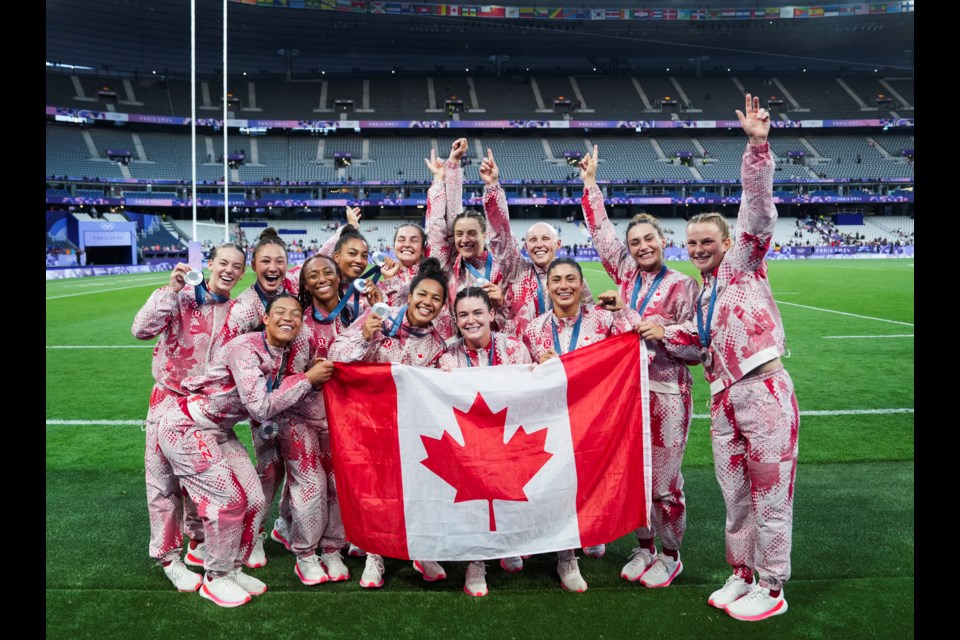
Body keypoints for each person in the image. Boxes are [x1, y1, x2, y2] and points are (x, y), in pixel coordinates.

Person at [666, 94, 799, 621]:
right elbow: (698, 344)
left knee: (770, 495)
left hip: (762, 391)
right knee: (737, 498)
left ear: (727, 242)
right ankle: (742, 574)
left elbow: (759, 212)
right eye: (691, 242)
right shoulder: (703, 295)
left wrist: (758, 149)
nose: (697, 248)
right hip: (723, 400)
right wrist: (648, 328)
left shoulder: (743, 266)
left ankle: (773, 584)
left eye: (706, 241)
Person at [156, 294, 334, 607]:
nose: (287, 318)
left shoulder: (282, 352)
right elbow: (260, 406)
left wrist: (306, 374)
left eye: (295, 313)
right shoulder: (244, 347)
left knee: (253, 499)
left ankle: (233, 567)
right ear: (265, 318)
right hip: (186, 427)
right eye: (279, 311)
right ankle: (216, 577)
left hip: (219, 431)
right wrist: (306, 380)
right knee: (227, 500)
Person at [580, 145, 700, 587]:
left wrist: (664, 332)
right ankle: (645, 546)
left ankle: (671, 554)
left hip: (667, 394)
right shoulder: (627, 276)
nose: (642, 246)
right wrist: (591, 185)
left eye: (648, 239)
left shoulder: (684, 285)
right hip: (626, 393)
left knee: (664, 482)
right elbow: (602, 236)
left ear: (662, 241)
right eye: (635, 243)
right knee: (634, 475)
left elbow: (701, 345)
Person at [522, 258, 643, 592]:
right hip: (554, 420)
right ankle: (566, 558)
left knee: (594, 478)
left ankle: (591, 532)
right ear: (547, 287)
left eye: (571, 279)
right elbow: (522, 378)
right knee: (559, 484)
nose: (563, 285)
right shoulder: (533, 329)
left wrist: (624, 310)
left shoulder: (603, 320)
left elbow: (636, 342)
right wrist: (540, 369)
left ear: (580, 283)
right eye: (556, 279)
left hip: (596, 418)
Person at [328, 257, 451, 588]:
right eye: (422, 294)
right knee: (378, 490)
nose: (427, 302)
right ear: (409, 296)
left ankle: (421, 549)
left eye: (436, 299)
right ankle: (375, 555)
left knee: (421, 487)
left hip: (416, 428)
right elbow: (336, 354)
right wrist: (364, 338)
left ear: (442, 306)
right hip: (373, 423)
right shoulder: (378, 317)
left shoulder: (438, 342)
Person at [131, 244, 248, 593]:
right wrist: (170, 290)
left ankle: (198, 543)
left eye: (237, 266)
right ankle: (169, 559)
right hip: (168, 402)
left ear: (243, 273)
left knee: (203, 482)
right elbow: (141, 329)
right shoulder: (180, 298)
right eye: (223, 262)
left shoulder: (238, 312)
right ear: (209, 264)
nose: (229, 270)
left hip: (206, 411)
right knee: (163, 484)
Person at [274, 253, 374, 585]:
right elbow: (282, 374)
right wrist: (306, 373)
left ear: (338, 276)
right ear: (304, 284)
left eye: (327, 272)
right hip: (299, 418)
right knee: (311, 487)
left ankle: (332, 547)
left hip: (342, 417)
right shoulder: (297, 320)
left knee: (337, 485)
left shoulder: (354, 313)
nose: (322, 279)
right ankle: (305, 554)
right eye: (313, 275)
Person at [210, 227, 302, 568]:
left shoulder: (293, 289)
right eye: (266, 261)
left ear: (288, 264)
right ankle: (256, 535)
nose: (273, 266)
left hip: (294, 394)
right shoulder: (244, 308)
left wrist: (345, 228)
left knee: (295, 465)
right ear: (254, 265)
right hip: (260, 399)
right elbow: (228, 358)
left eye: (280, 260)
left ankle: (286, 523)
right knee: (269, 469)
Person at [437, 287, 533, 597]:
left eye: (478, 312)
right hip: (470, 445)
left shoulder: (515, 350)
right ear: (455, 320)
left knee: (512, 490)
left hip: (508, 438)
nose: (471, 320)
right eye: (463, 315)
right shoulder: (448, 355)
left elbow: (533, 395)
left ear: (492, 314)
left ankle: (510, 543)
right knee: (475, 498)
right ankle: (476, 562)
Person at [427, 148, 519, 341]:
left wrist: (492, 185)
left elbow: (501, 231)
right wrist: (450, 168)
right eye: (459, 234)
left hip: (499, 353)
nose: (464, 239)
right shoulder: (450, 268)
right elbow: (439, 226)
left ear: (484, 235)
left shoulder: (503, 266)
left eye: (472, 233)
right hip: (459, 355)